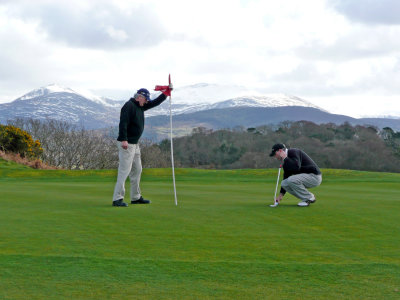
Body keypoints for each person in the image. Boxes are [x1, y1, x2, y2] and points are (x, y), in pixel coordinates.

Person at [112, 86, 172, 207]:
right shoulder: (129, 106)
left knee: (137, 170)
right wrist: (123, 139)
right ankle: (117, 198)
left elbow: (155, 103)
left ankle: (135, 197)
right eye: (146, 99)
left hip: (135, 144)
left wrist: (165, 93)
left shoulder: (140, 106)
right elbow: (123, 123)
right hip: (127, 143)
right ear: (139, 97)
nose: (147, 101)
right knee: (124, 171)